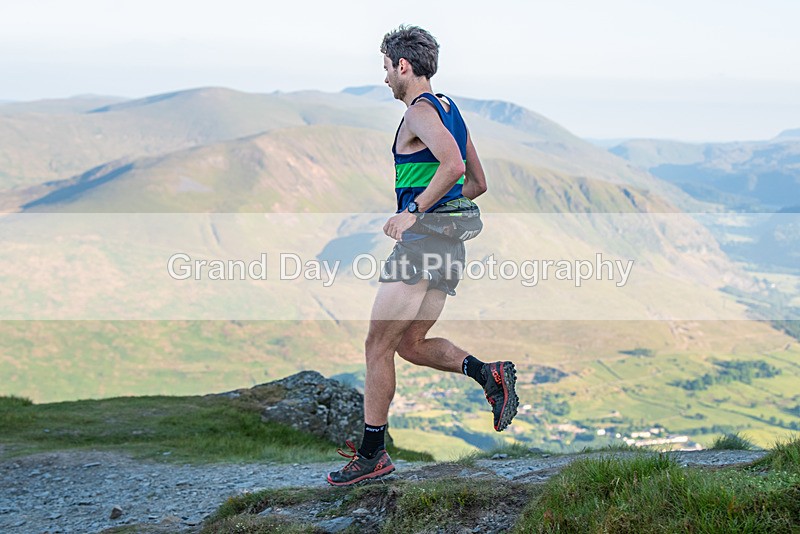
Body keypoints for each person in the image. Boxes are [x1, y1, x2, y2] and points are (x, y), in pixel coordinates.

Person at [327, 25, 519, 486]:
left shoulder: (418, 113)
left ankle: (373, 454)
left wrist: (413, 211)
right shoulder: (449, 109)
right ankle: (488, 374)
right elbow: (476, 183)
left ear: (403, 66)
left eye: (387, 69)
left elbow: (453, 166)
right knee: (409, 345)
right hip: (449, 246)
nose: (385, 79)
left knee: (377, 346)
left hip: (422, 245)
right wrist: (441, 210)